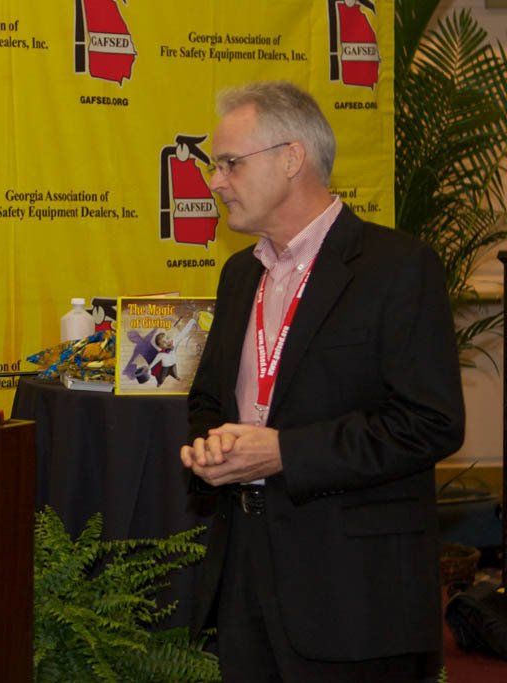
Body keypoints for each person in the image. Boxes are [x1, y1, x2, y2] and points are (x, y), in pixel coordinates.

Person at [179, 81, 464, 681]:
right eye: (214, 165)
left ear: (291, 158)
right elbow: (209, 398)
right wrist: (212, 443)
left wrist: (284, 452)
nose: (214, 181)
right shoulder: (238, 275)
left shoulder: (397, 268)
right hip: (247, 580)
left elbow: (431, 423)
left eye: (230, 163)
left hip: (356, 594)